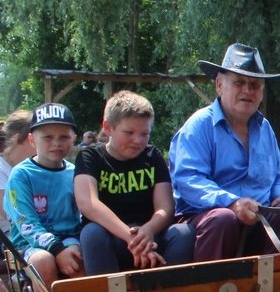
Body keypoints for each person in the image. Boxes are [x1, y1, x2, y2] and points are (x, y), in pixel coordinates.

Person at [169, 43, 280, 261]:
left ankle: (277, 289)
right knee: (223, 219)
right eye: (239, 82)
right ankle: (211, 291)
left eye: (254, 84)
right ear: (219, 85)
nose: (247, 90)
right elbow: (188, 180)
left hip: (259, 220)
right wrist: (232, 203)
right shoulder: (198, 127)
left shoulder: (265, 129)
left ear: (261, 92)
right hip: (208, 221)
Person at [75, 90, 194, 275]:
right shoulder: (90, 156)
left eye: (144, 133)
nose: (138, 141)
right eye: (129, 132)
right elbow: (88, 203)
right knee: (92, 233)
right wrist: (131, 238)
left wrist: (148, 230)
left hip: (150, 236)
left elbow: (165, 207)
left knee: (184, 233)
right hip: (112, 237)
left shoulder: (152, 156)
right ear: (108, 128)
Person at [4, 103, 85, 288]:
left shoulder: (75, 172)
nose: (56, 143)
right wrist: (57, 250)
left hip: (68, 236)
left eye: (64, 137)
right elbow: (26, 223)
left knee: (78, 257)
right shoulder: (21, 175)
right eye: (48, 137)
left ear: (73, 138)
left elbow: (83, 211)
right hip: (28, 244)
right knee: (44, 260)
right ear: (32, 140)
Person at [0, 110, 34, 259]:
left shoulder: (34, 166)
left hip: (35, 231)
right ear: (19, 139)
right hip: (5, 237)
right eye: (35, 139)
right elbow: (10, 213)